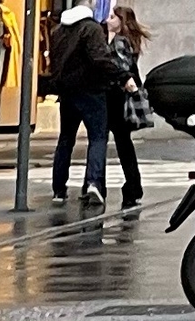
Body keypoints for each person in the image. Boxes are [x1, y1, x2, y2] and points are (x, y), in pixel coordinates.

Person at [46, 1, 122, 206]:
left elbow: (54, 60)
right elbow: (99, 58)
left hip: (67, 92)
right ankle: (93, 183)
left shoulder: (58, 31)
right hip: (91, 90)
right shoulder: (91, 28)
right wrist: (120, 74)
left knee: (65, 140)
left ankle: (59, 189)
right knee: (97, 138)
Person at [109, 4, 152, 207]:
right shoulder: (131, 41)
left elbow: (122, 69)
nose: (108, 20)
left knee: (117, 143)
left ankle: (133, 185)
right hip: (125, 98)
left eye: (113, 17)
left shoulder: (119, 42)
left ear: (121, 21)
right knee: (124, 144)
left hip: (116, 98)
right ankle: (134, 185)